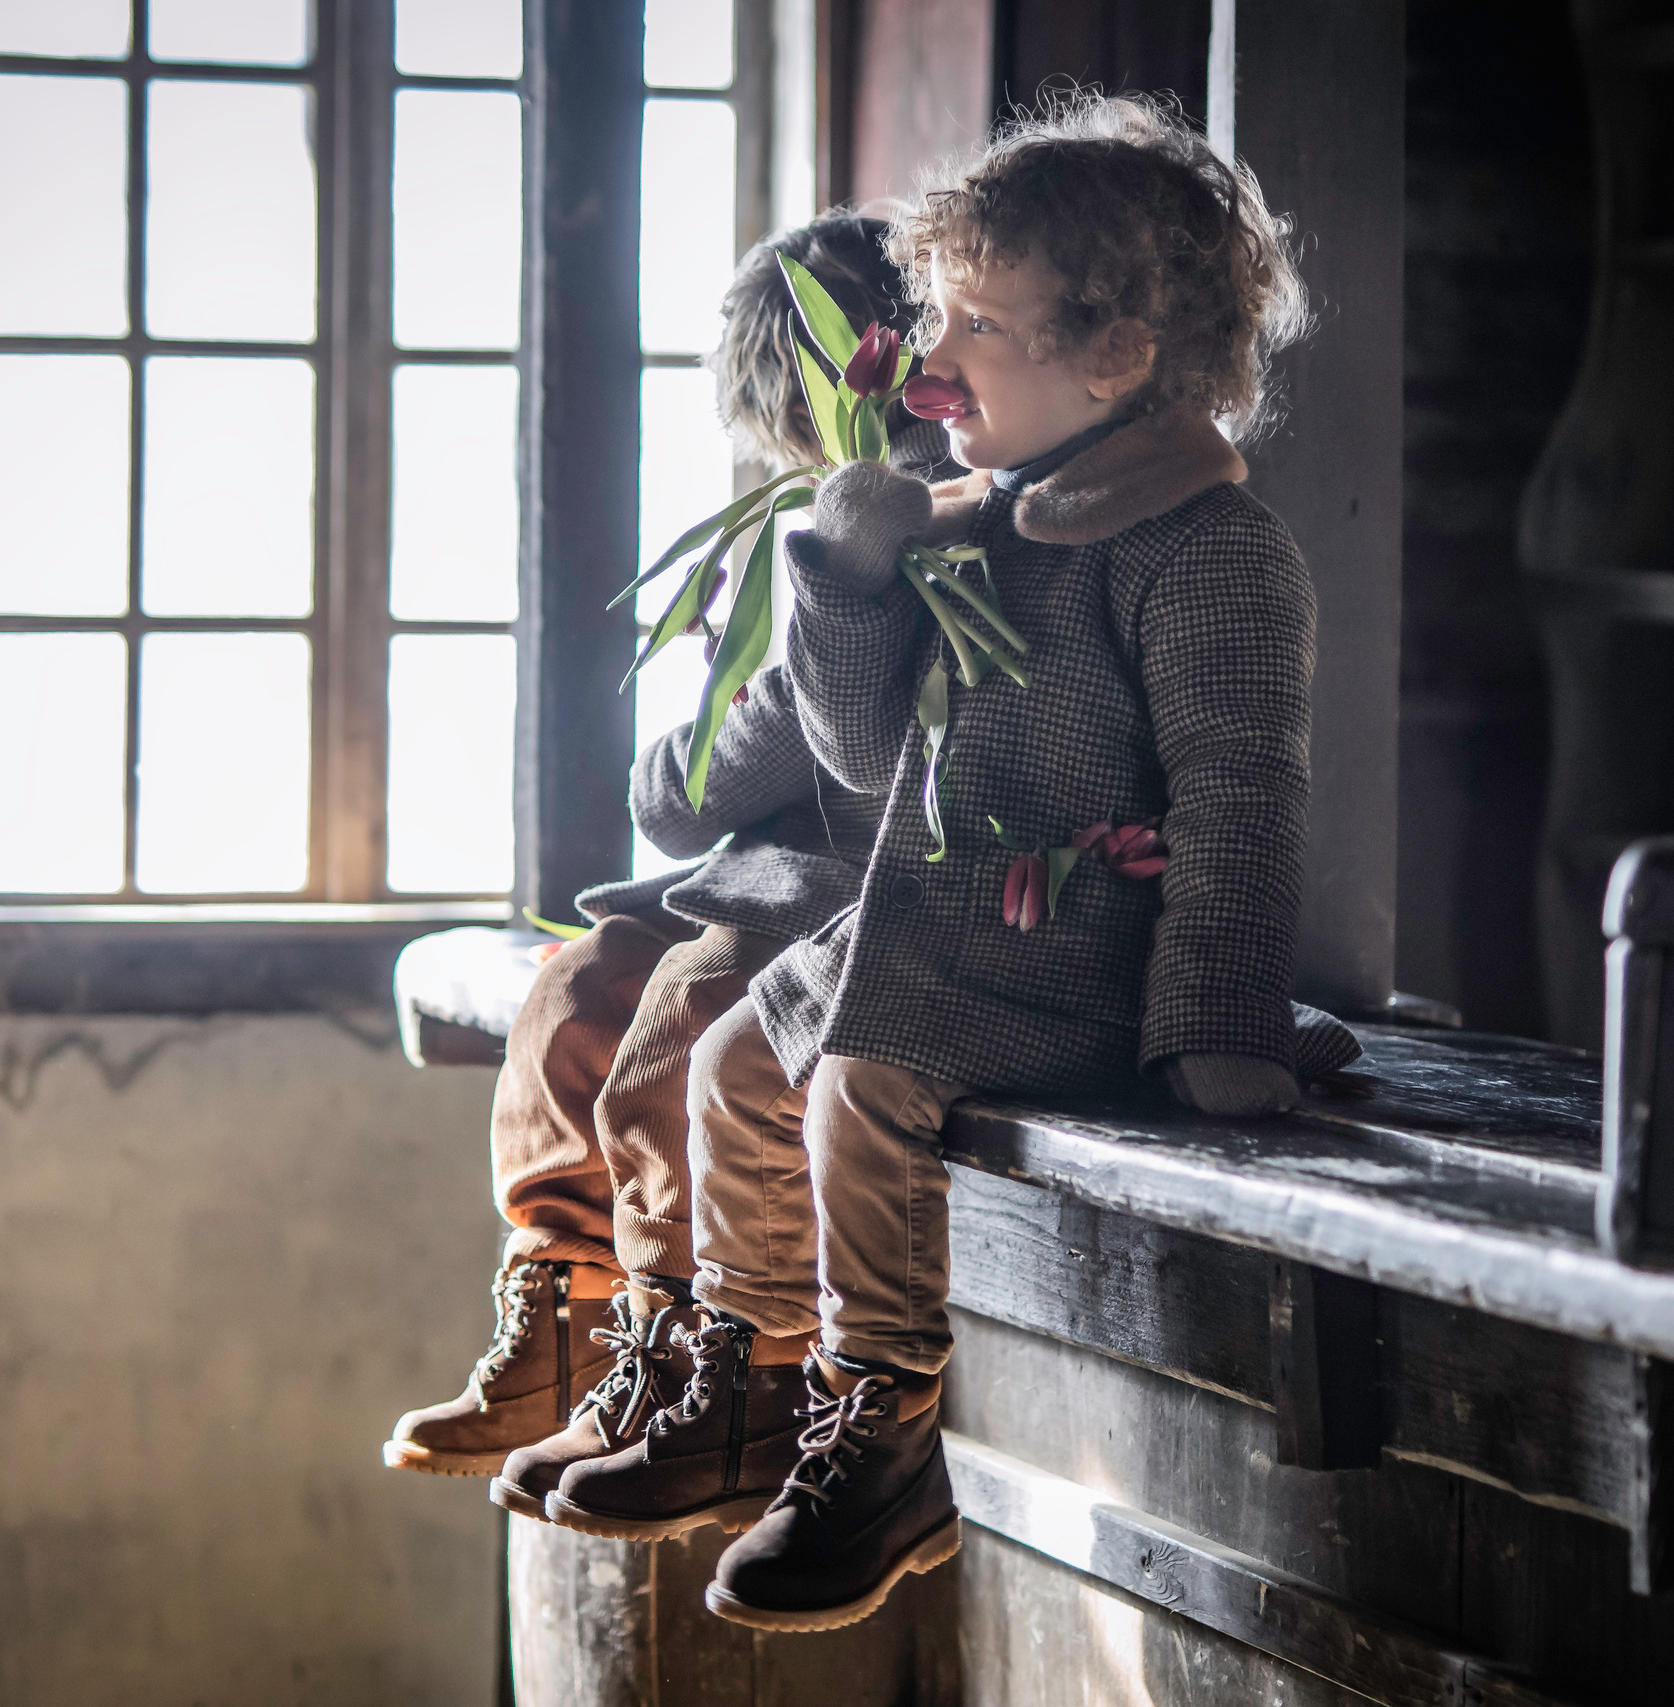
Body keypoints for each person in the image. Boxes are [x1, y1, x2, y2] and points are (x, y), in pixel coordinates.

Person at [545, 94, 1361, 1630]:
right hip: (938, 938)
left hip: (1081, 962)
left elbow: (1242, 801)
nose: (929, 367)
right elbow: (860, 757)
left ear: (1112, 358)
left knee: (857, 1085)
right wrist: (848, 574)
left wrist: (1219, 1035)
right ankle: (765, 1391)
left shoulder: (1214, 555)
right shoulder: (984, 527)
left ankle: (888, 1423)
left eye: (976, 325)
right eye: (938, 317)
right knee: (729, 1066)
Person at [384, 218, 962, 1526]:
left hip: (872, 885)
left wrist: (743, 689)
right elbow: (698, 787)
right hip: (779, 873)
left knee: (678, 1030)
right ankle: (572, 1320)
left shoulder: (903, 510)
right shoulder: (815, 519)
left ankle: (718, 1359)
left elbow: (719, 775)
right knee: (574, 991)